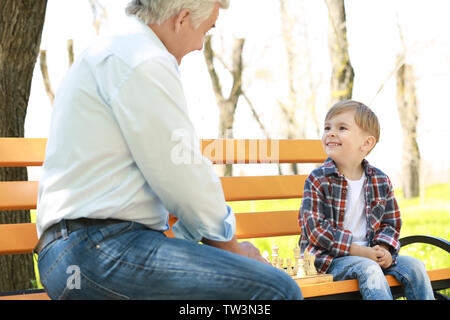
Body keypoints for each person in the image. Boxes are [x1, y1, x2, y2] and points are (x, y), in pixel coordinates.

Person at [35, 0, 302, 300]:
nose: (201, 46)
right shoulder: (143, 58)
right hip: (96, 251)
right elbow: (183, 175)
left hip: (80, 251)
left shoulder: (116, 49)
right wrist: (232, 249)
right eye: (206, 30)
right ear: (183, 18)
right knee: (276, 290)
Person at [298, 100, 434, 300]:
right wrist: (360, 251)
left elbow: (391, 223)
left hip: (371, 255)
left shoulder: (380, 180)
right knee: (369, 269)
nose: (331, 133)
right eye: (327, 127)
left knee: (415, 266)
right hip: (330, 260)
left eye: (342, 128)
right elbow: (315, 230)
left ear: (366, 143)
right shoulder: (318, 180)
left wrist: (385, 250)